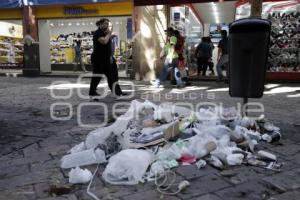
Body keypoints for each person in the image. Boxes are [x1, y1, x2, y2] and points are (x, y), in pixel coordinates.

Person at [89, 18, 127, 100]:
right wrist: (110, 34)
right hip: (98, 60)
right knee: (97, 77)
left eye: (108, 24)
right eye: (105, 24)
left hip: (108, 58)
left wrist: (110, 57)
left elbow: (107, 47)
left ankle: (118, 92)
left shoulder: (105, 33)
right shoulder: (97, 33)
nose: (107, 25)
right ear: (100, 24)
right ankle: (92, 93)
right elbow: (104, 42)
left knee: (113, 76)